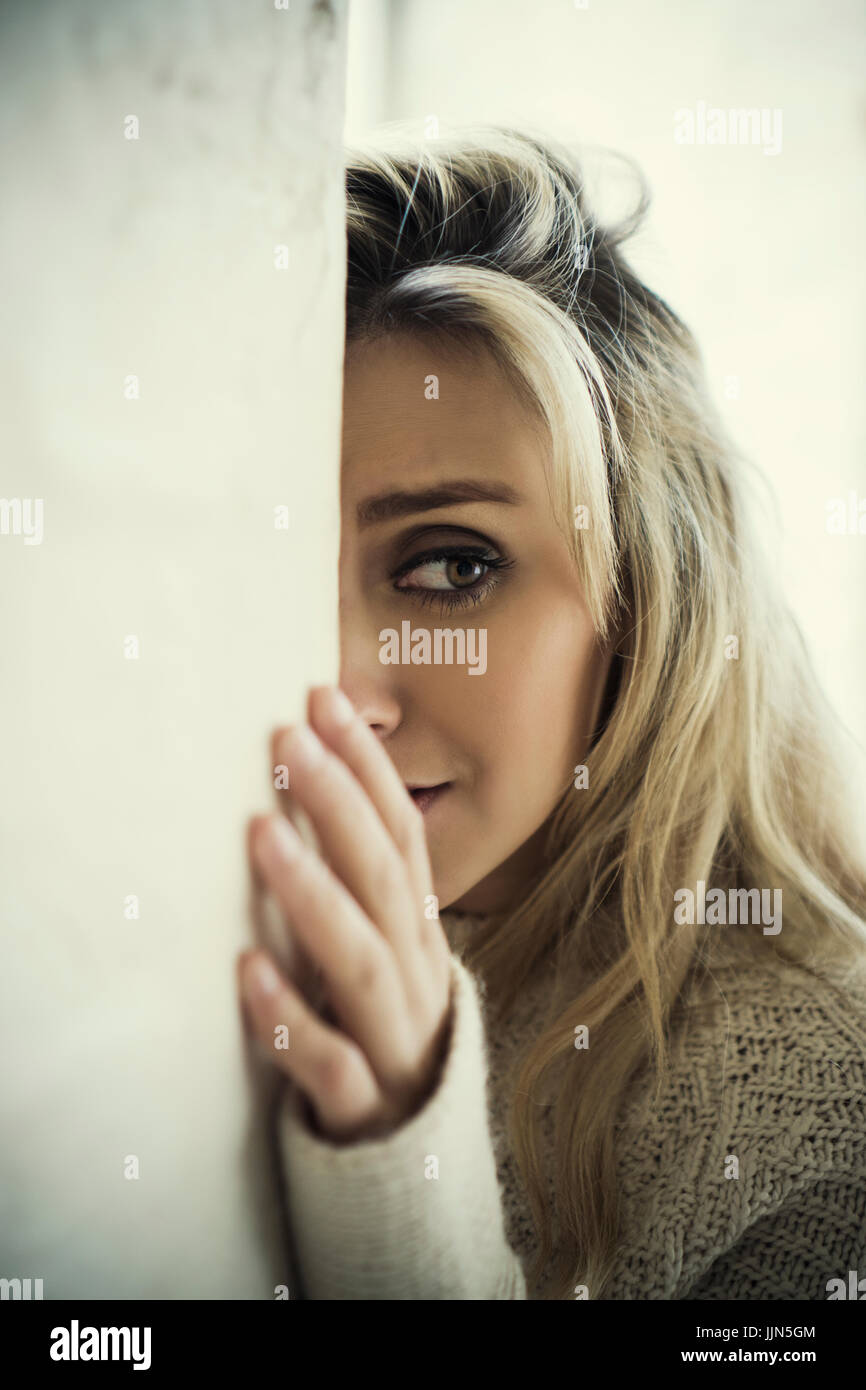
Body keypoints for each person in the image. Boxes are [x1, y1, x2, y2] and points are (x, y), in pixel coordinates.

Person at [237, 126, 866, 1300]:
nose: (340, 694)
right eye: (271, 571)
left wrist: (398, 1187)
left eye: (450, 564)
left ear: (648, 599)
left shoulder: (826, 1111)